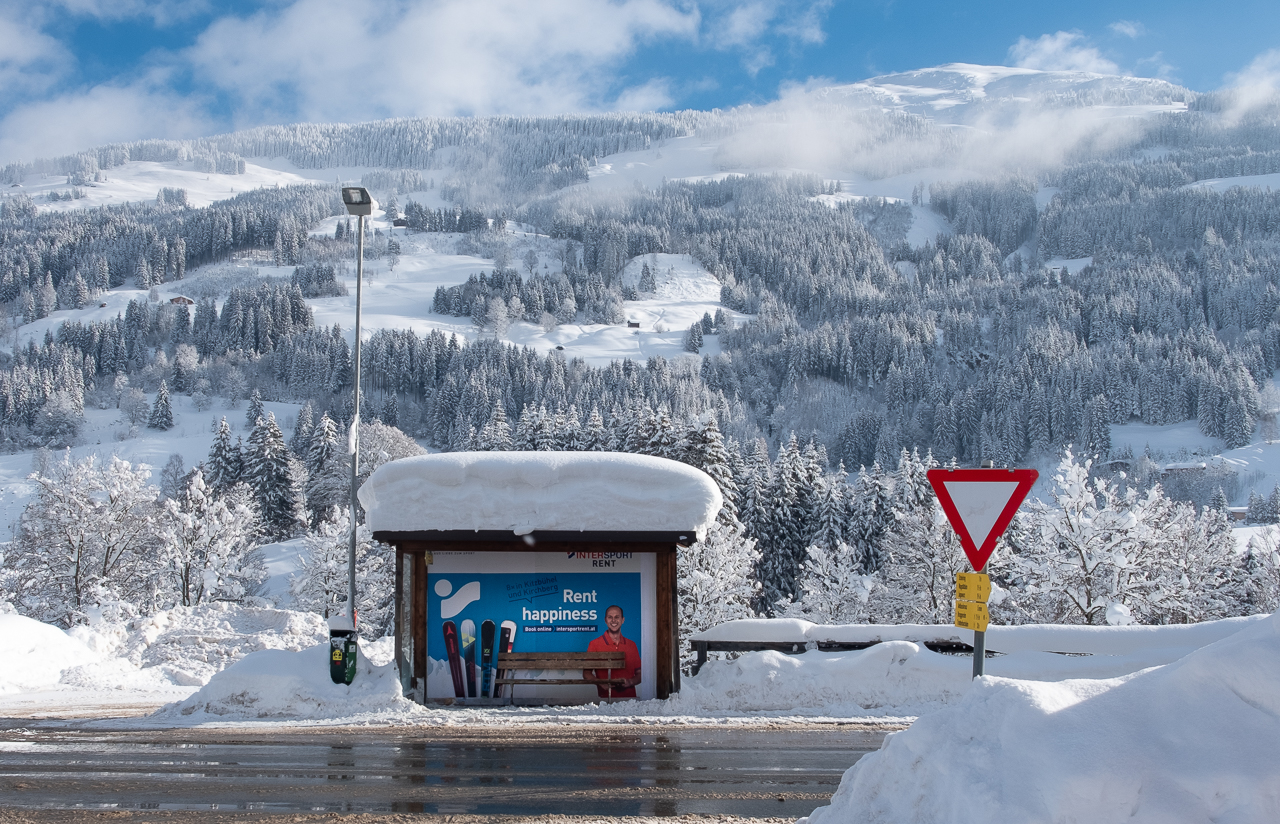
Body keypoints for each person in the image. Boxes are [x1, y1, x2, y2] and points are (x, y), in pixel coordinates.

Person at [584, 604, 641, 698]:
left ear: (623, 620)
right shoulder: (594, 644)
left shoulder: (632, 645)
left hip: (630, 700)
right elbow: (586, 674)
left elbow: (640, 674)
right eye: (610, 617)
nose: (613, 620)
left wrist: (630, 682)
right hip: (605, 700)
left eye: (617, 617)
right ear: (605, 620)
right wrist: (601, 683)